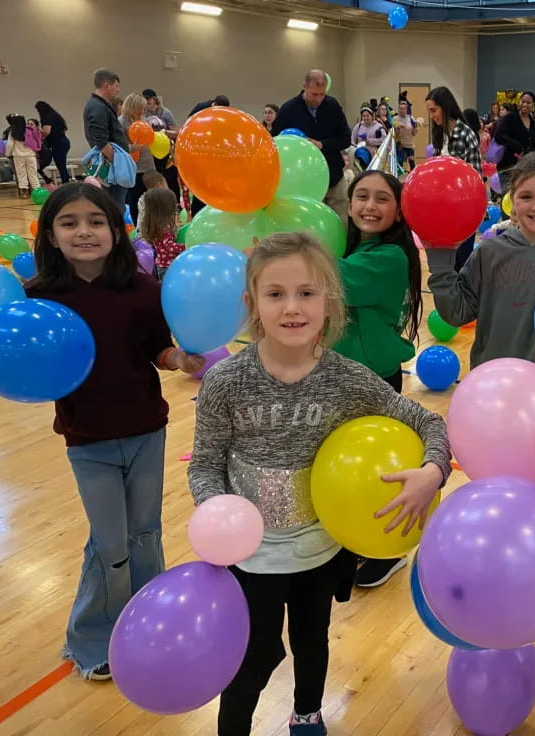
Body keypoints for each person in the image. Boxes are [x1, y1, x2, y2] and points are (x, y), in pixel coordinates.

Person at [188, 232, 450, 736]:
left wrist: (432, 472)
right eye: (275, 294)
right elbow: (204, 464)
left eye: (307, 293)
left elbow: (430, 423)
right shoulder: (226, 382)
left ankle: (307, 715)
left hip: (320, 550)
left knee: (313, 640)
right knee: (252, 657)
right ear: (251, 304)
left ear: (328, 304)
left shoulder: (348, 379)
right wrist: (216, 513)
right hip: (249, 557)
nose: (292, 307)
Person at [24, 182, 204, 680]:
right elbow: (27, 363)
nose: (84, 231)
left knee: (145, 534)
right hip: (88, 440)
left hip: (146, 429)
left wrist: (178, 358)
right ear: (51, 235)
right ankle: (90, 640)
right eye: (69, 223)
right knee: (110, 541)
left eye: (96, 221)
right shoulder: (40, 297)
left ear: (115, 229)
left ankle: (147, 623)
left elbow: (156, 349)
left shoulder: (142, 289)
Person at [328, 170, 426, 588]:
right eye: (361, 197)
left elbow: (337, 282)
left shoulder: (390, 257)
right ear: (348, 207)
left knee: (379, 472)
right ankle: (349, 541)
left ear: (399, 212)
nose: (370, 206)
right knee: (345, 466)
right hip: (341, 374)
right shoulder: (352, 249)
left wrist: (282, 250)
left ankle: (387, 550)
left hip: (375, 379)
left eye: (382, 198)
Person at [426, 150, 535, 371]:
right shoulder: (490, 252)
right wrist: (440, 258)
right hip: (488, 385)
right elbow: (456, 312)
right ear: (512, 199)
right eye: (526, 196)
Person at [272, 70, 352, 226]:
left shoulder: (332, 106)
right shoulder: (288, 110)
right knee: (311, 223)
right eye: (314, 94)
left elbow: (346, 138)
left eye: (322, 94)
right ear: (304, 87)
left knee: (341, 221)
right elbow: (276, 143)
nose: (319, 99)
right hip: (305, 179)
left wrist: (322, 145)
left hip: (334, 174)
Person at [424, 87, 482, 272]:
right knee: (442, 267)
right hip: (441, 211)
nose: (431, 116)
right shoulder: (439, 135)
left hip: (462, 213)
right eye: (429, 112)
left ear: (445, 107)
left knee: (460, 266)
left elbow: (475, 178)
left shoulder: (465, 134)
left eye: (434, 110)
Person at [82, 68, 129, 209]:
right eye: (116, 86)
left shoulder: (101, 106)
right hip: (110, 167)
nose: (118, 90)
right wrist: (119, 161)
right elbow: (101, 140)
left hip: (111, 165)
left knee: (116, 205)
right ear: (107, 85)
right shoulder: (97, 107)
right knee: (113, 207)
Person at [118, 93, 158, 224]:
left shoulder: (143, 119)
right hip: (133, 167)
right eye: (141, 107)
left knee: (151, 198)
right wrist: (133, 148)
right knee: (135, 198)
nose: (143, 110)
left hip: (148, 165)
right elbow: (118, 146)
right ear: (132, 107)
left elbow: (149, 137)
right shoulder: (122, 122)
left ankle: (151, 225)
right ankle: (138, 227)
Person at [494, 91, 535, 191]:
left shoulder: (533, 124)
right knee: (508, 199)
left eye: (528, 102)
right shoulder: (510, 118)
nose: (525, 104)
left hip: (525, 169)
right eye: (523, 101)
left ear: (533, 105)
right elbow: (499, 135)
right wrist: (517, 146)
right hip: (507, 166)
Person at [140, 188, 182, 280]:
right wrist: (186, 246)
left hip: (161, 265)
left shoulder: (155, 224)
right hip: (168, 266)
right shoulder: (165, 228)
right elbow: (170, 247)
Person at [35, 100, 71, 185]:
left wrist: (36, 130)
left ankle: (66, 183)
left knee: (61, 165)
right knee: (61, 164)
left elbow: (46, 132)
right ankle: (65, 182)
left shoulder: (47, 117)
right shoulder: (55, 116)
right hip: (63, 142)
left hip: (58, 143)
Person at [5, 114, 41, 197]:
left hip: (18, 156)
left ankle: (24, 192)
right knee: (33, 174)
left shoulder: (13, 132)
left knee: (21, 174)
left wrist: (7, 154)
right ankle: (37, 190)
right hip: (30, 156)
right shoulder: (30, 130)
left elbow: (10, 145)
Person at [393, 100, 418, 172]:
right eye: (401, 108)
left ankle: (413, 177)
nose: (402, 110)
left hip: (409, 144)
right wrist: (398, 129)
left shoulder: (411, 118)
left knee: (412, 162)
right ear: (398, 109)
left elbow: (414, 133)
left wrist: (415, 127)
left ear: (407, 109)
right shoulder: (395, 119)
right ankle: (400, 179)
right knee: (400, 163)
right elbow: (395, 135)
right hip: (400, 144)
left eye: (404, 109)